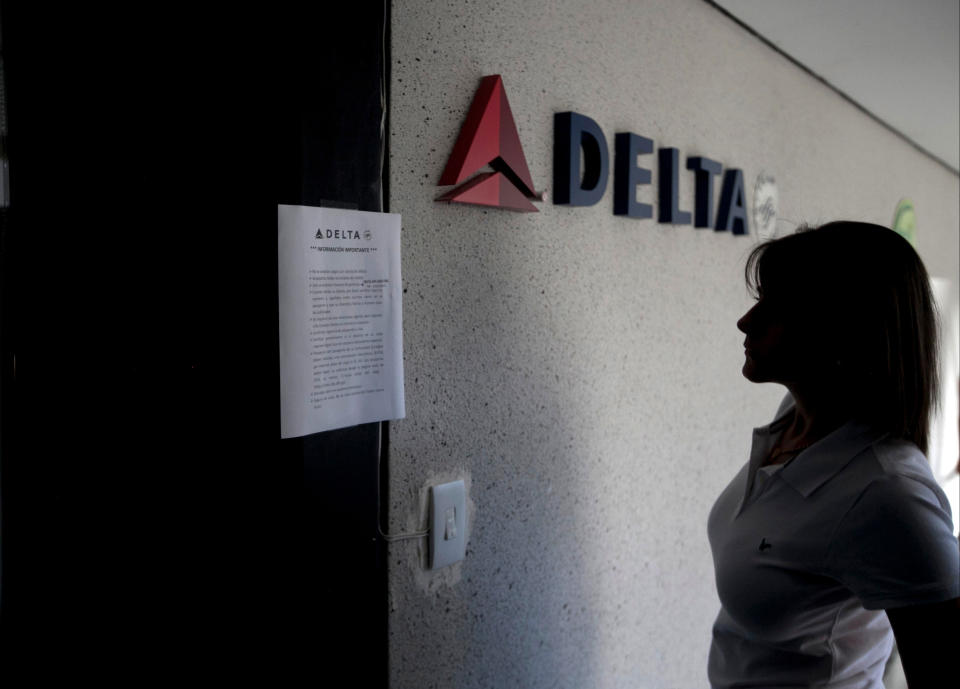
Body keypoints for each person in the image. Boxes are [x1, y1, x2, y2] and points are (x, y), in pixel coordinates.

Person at [707, 221, 960, 688]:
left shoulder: (890, 495)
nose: (746, 321)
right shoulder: (797, 420)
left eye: (776, 308)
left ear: (843, 331)